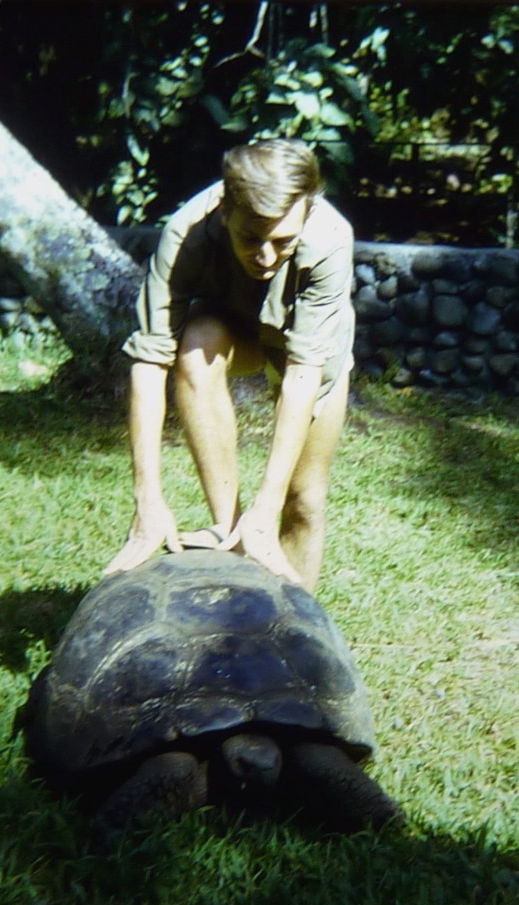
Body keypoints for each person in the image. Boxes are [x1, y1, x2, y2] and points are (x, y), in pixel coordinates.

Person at [102, 139, 356, 592]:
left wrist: (267, 505)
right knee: (196, 343)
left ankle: (295, 622)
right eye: (250, 238)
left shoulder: (330, 239)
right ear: (224, 211)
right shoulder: (186, 233)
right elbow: (150, 360)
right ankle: (232, 533)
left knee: (303, 500)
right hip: (236, 327)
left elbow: (302, 374)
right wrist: (147, 498)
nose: (265, 258)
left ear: (307, 213)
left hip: (309, 350)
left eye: (282, 242)